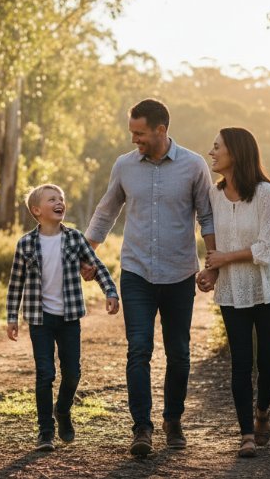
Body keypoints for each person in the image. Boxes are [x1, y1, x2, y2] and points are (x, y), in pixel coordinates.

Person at [84, 98, 216, 456]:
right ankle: (141, 428)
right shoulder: (125, 166)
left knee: (179, 352)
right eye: (132, 132)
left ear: (161, 130)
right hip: (137, 272)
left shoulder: (193, 165)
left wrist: (213, 264)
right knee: (138, 349)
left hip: (179, 273)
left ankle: (173, 420)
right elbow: (106, 211)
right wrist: (87, 252)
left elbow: (207, 216)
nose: (133, 140)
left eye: (139, 133)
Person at [196, 127, 270, 458]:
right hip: (233, 290)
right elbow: (212, 239)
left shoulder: (266, 194)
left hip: (269, 288)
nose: (212, 152)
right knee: (240, 362)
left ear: (235, 154)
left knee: (268, 362)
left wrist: (223, 258)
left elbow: (267, 248)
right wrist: (211, 270)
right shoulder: (213, 195)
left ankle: (263, 411)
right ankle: (246, 434)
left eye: (217, 147)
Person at [6, 184, 120, 452]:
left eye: (61, 198)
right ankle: (45, 432)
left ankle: (63, 410)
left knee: (72, 373)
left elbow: (96, 265)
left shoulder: (75, 238)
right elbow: (15, 284)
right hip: (40, 319)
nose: (59, 202)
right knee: (45, 374)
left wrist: (110, 291)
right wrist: (12, 317)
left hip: (69, 317)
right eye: (52, 199)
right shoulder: (26, 243)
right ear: (37, 210)